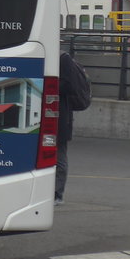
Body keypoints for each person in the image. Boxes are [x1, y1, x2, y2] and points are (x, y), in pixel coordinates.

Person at [56, 50, 91, 204]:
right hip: (59, 115)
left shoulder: (62, 59)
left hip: (60, 115)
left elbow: (67, 85)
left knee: (59, 155)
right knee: (58, 154)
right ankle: (56, 192)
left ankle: (57, 193)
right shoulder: (62, 57)